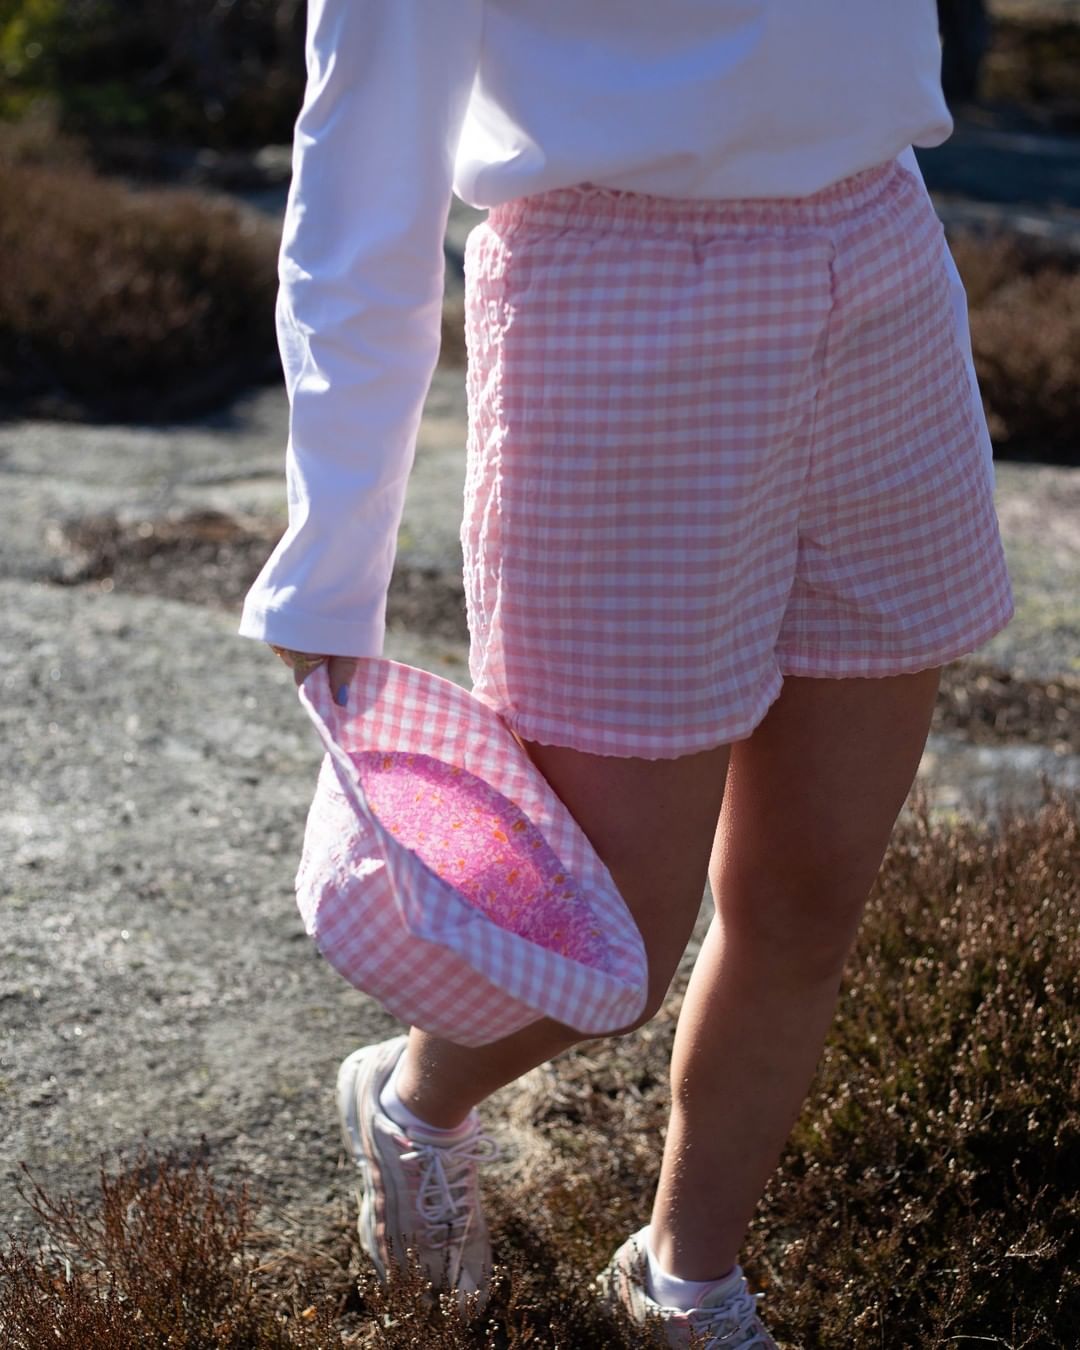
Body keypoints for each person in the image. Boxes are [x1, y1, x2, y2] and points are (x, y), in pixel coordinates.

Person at [239, 2, 1015, 1345]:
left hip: (883, 253)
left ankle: (684, 1286)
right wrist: (331, 558)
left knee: (811, 894)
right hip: (616, 304)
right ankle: (414, 1101)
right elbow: (365, 159)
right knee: (612, 944)